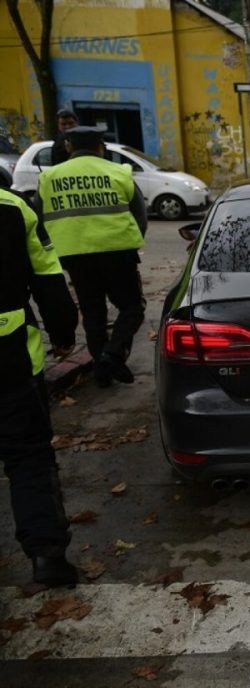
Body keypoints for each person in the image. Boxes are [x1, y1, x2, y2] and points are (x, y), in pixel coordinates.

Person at [1, 187, 79, 587]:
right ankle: (47, 555)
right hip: (10, 358)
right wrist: (63, 333)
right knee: (28, 456)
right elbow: (48, 278)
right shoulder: (14, 207)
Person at [37, 125, 147, 388]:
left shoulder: (49, 177)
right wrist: (132, 243)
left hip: (75, 256)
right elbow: (140, 215)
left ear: (68, 146)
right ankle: (113, 354)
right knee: (132, 307)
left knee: (93, 312)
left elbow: (39, 220)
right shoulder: (119, 172)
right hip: (118, 252)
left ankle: (102, 371)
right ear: (101, 147)